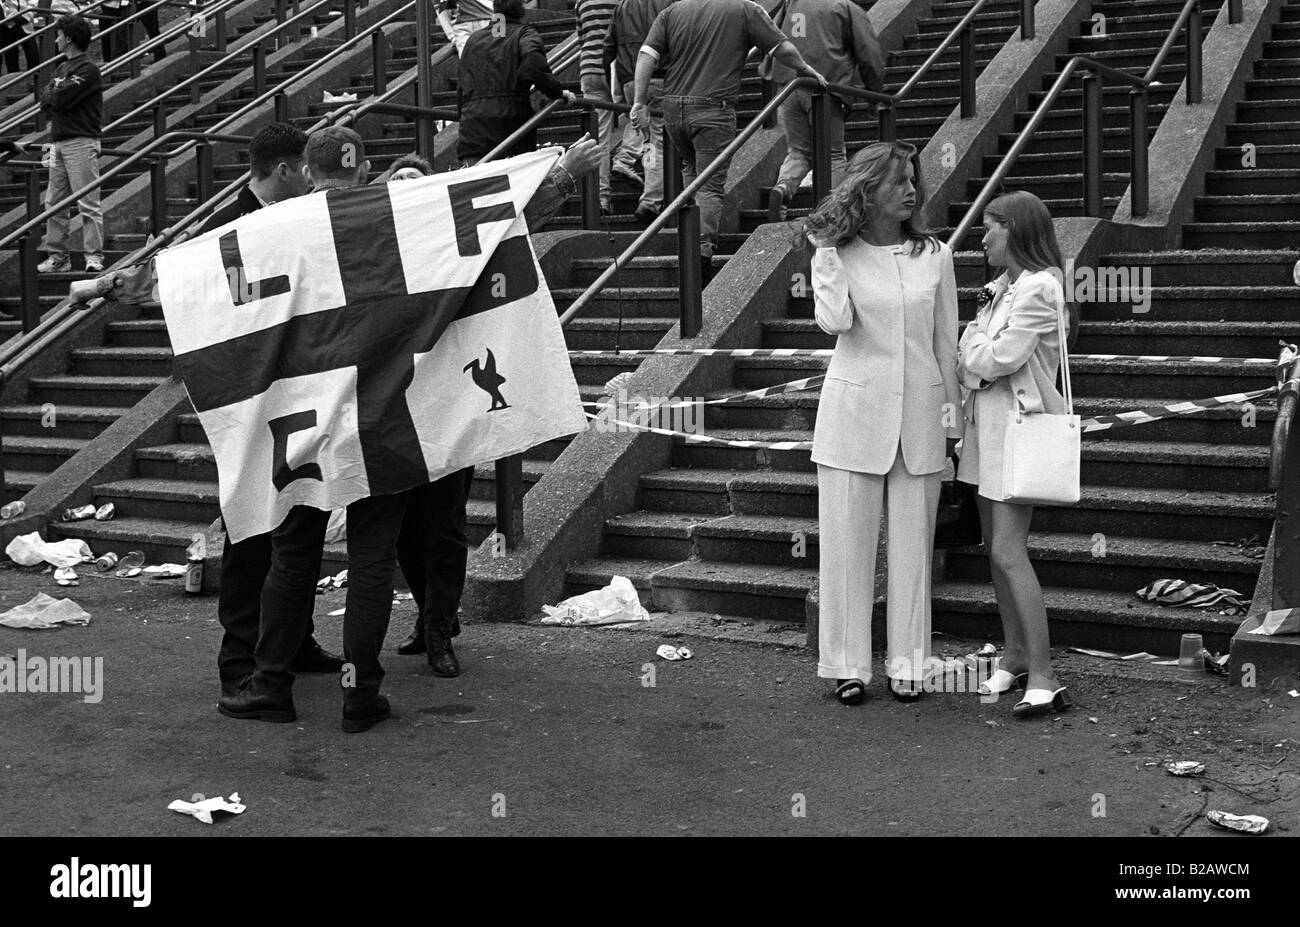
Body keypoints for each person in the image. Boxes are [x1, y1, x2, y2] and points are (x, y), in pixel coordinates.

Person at [380, 136, 603, 675]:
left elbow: (509, 213)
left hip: (453, 403)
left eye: (418, 181)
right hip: (397, 409)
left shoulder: (456, 241)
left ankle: (437, 627)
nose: (408, 189)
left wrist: (564, 176)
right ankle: (432, 615)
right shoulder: (377, 250)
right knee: (406, 530)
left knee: (446, 524)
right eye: (398, 183)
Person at [802, 141, 962, 705]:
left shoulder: (935, 254)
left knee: (913, 551)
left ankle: (909, 666)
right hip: (852, 418)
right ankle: (845, 664)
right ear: (867, 189)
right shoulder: (839, 253)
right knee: (846, 548)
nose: (911, 190)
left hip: (921, 417)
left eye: (912, 179)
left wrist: (955, 423)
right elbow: (834, 321)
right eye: (897, 181)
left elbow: (947, 343)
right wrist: (824, 252)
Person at [197, 123, 345, 704]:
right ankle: (238, 658)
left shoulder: (290, 221)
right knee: (250, 529)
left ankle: (294, 640)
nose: (310, 181)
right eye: (304, 171)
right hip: (251, 400)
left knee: (296, 522)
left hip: (295, 396)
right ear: (284, 170)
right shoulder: (227, 231)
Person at [956, 190, 1072, 718]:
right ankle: (1016, 654)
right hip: (988, 430)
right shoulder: (1004, 288)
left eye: (991, 228)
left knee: (1008, 551)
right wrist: (975, 349)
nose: (982, 238)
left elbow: (998, 357)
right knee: (994, 550)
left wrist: (971, 346)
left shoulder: (1040, 288)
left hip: (1020, 430)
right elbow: (980, 358)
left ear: (1016, 231)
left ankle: (1045, 672)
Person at [630, 0, 826, 285]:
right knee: (709, 186)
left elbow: (646, 54)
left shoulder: (673, 11)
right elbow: (781, 49)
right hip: (712, 108)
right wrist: (805, 68)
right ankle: (700, 260)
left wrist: (639, 102)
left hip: (673, 109)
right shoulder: (744, 9)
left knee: (691, 174)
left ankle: (688, 244)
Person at [765, 0, 884, 221]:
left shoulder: (792, 3)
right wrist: (875, 94)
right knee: (833, 154)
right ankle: (832, 213)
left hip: (788, 86)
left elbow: (772, 35)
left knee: (799, 151)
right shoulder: (845, 7)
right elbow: (869, 52)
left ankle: (783, 188)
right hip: (824, 85)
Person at [456, 0, 576, 165]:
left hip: (473, 130)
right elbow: (533, 65)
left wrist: (463, 118)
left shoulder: (473, 40)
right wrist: (556, 92)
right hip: (512, 129)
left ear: (494, 8)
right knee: (514, 186)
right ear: (521, 8)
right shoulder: (524, 33)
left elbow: (462, 85)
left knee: (477, 188)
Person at [36, 13, 102, 274]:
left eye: (60, 35)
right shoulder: (62, 69)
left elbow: (60, 99)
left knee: (87, 201)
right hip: (58, 142)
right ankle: (58, 257)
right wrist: (56, 90)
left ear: (70, 38)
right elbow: (45, 99)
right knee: (54, 202)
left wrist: (56, 91)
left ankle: (94, 256)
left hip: (81, 141)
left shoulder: (88, 68)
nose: (56, 40)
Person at [604, 0, 673, 225]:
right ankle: (651, 200)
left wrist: (611, 83)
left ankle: (631, 165)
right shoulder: (667, 3)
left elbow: (608, 48)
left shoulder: (621, 6)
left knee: (648, 140)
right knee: (658, 139)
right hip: (659, 77)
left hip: (629, 80)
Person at [575, 0, 640, 216]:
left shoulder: (581, 2)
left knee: (599, 137)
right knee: (636, 115)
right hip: (614, 66)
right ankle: (625, 158)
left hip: (588, 69)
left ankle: (601, 197)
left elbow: (581, 38)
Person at [99, 0, 167, 65]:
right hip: (111, 6)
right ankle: (108, 66)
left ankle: (160, 58)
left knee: (153, 30)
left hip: (141, 3)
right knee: (106, 35)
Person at [0, 1, 42, 75]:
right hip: (9, 25)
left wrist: (23, 17)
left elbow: (33, 6)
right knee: (11, 58)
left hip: (26, 25)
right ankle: (13, 82)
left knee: (33, 55)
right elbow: (3, 6)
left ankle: (35, 81)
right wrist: (12, 17)